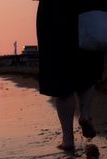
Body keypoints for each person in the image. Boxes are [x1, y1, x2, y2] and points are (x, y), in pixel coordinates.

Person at [37, 0, 105, 150]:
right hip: (88, 8)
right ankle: (85, 114)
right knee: (89, 65)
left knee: (62, 75)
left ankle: (68, 140)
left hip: (54, 12)